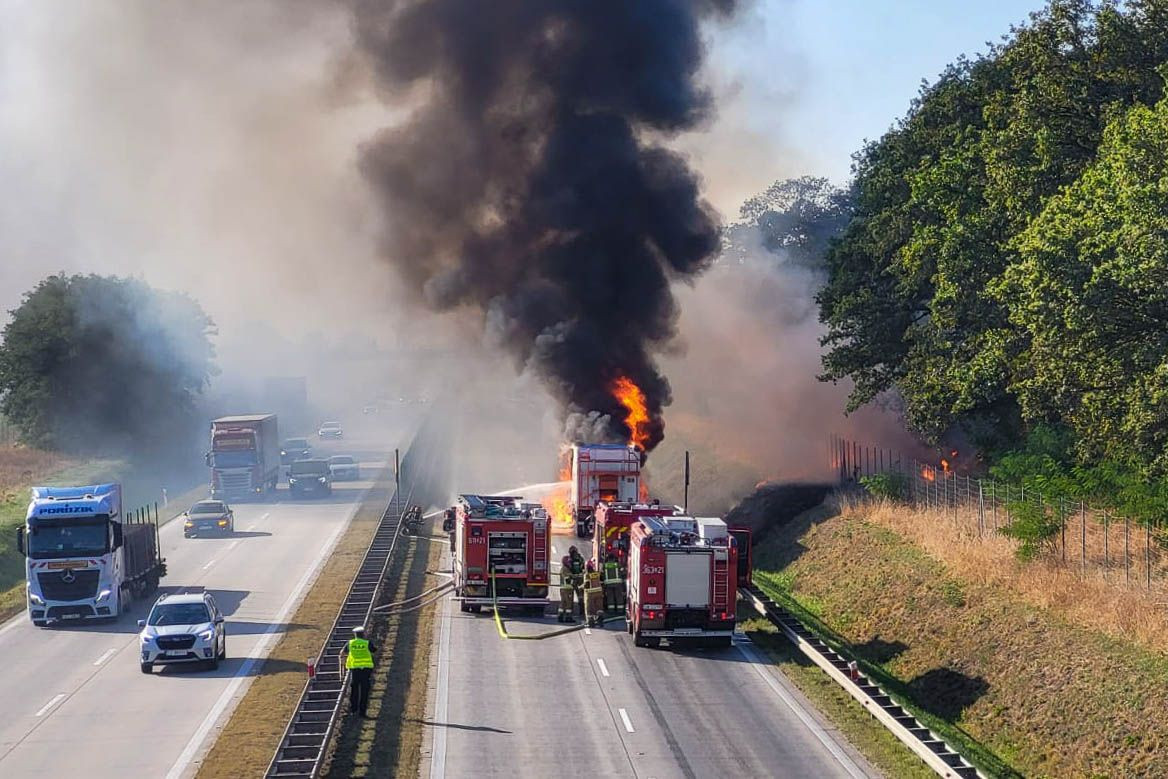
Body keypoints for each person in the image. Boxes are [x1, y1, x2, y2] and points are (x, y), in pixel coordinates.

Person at [341, 625, 377, 717]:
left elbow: (342, 653)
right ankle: (362, 712)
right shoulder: (367, 643)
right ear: (363, 634)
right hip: (366, 670)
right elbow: (374, 650)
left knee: (354, 690)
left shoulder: (350, 643)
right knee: (365, 690)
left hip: (355, 670)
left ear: (355, 634)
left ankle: (353, 710)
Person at [566, 545, 586, 617]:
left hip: (573, 579)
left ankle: (570, 610)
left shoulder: (570, 559)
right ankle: (582, 610)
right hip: (580, 579)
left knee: (570, 595)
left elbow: (568, 568)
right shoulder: (581, 559)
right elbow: (583, 568)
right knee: (580, 595)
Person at [583, 561, 604, 626]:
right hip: (599, 592)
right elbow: (601, 581)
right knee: (599, 607)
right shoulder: (597, 573)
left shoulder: (587, 575)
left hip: (590, 594)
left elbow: (586, 585)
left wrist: (581, 587)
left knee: (589, 608)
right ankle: (600, 621)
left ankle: (590, 622)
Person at [558, 554, 576, 623]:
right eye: (569, 562)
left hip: (564, 589)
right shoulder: (565, 569)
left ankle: (560, 616)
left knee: (563, 603)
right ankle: (568, 617)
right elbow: (568, 579)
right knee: (568, 603)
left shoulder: (564, 569)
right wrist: (573, 581)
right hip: (567, 589)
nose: (570, 563)